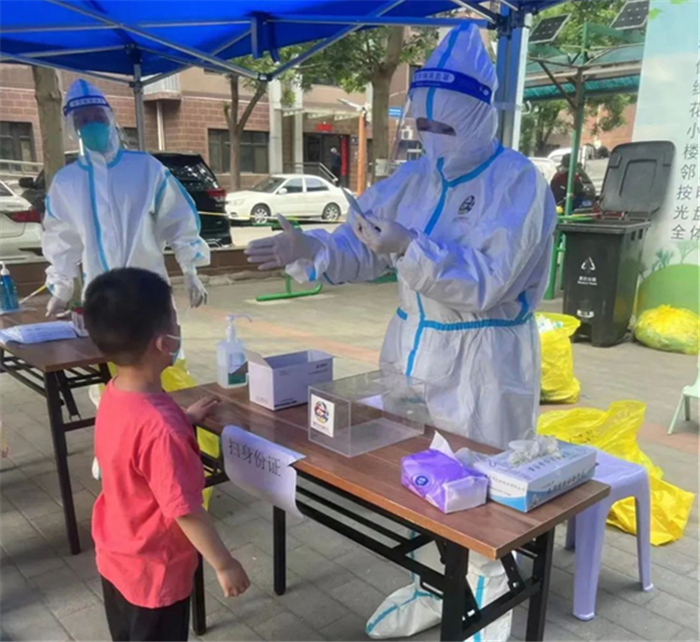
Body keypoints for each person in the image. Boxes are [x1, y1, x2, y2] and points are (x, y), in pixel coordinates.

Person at [246, 23, 556, 640]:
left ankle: (487, 599)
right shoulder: (414, 180)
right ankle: (433, 583)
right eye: (423, 124)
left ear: (478, 118)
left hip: (482, 361)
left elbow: (488, 282)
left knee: (480, 488)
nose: (431, 137)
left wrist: (412, 247)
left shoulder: (517, 183)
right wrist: (315, 248)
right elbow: (363, 242)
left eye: (446, 126)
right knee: (418, 478)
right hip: (412, 351)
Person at [84, 268, 249, 642]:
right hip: (155, 572)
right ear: (164, 343)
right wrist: (224, 564)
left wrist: (183, 419)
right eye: (174, 319)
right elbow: (185, 510)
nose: (179, 327)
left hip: (117, 557)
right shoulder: (161, 429)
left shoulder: (116, 393)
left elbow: (135, 443)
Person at [43, 79, 210, 316]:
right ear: (73, 127)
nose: (92, 125)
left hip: (148, 288)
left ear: (110, 119)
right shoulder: (67, 182)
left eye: (98, 117)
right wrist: (61, 290)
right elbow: (61, 239)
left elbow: (179, 219)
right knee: (106, 340)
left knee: (157, 338)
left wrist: (190, 271)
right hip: (100, 294)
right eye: (83, 120)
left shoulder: (145, 169)